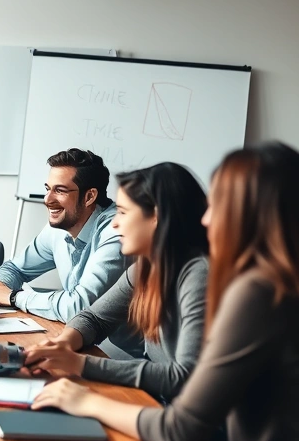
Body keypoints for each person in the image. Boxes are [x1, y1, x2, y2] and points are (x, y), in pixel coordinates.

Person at [31, 143, 299, 441]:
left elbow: (180, 429)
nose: (206, 219)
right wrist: (66, 348)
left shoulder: (256, 288)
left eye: (217, 205)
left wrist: (84, 396)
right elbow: (94, 316)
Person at [24, 163, 209, 401]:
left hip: (196, 422)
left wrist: (80, 364)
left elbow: (184, 377)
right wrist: (62, 345)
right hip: (159, 400)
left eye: (123, 212)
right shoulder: (146, 268)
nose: (114, 223)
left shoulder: (199, 275)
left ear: (156, 217)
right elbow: (95, 318)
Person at [0, 148, 143, 358]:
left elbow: (79, 307)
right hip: (86, 345)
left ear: (89, 196)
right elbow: (14, 268)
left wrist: (14, 297)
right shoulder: (58, 229)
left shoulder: (116, 232)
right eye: (47, 188)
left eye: (60, 190)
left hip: (129, 355)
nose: (47, 199)